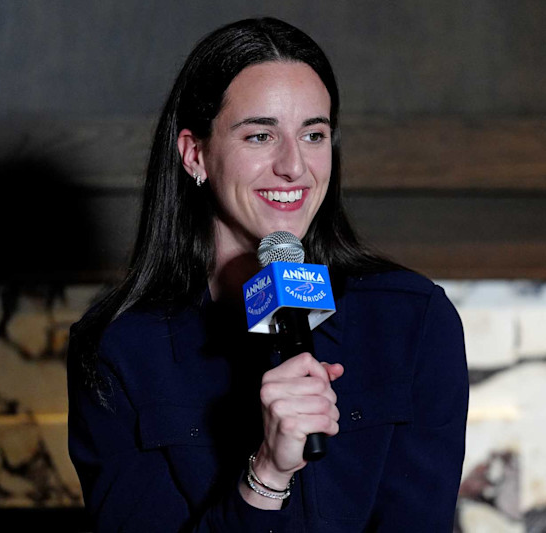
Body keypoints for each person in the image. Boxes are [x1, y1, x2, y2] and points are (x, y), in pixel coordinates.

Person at [67, 17, 468, 532]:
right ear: (196, 155)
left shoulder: (413, 319)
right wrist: (268, 474)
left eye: (314, 134)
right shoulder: (116, 349)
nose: (294, 167)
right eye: (260, 135)